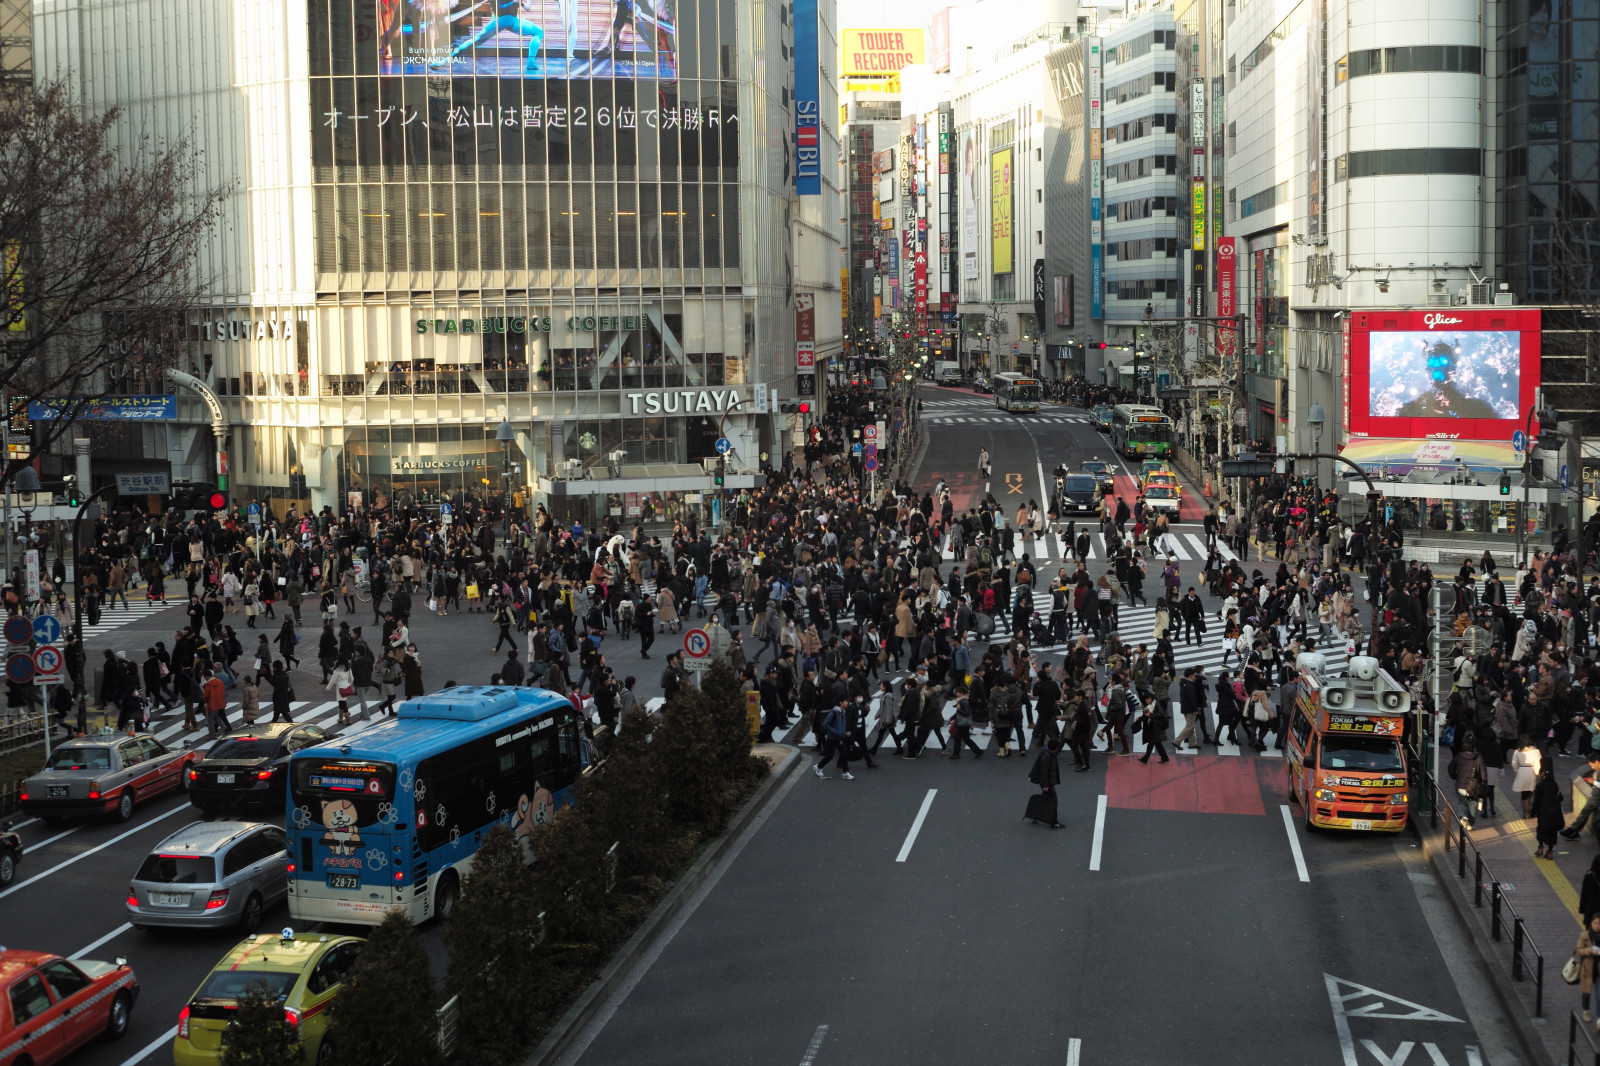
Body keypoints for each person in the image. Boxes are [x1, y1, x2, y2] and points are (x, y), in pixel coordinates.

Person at [1025, 738, 1064, 828]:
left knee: (1045, 800)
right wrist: (1045, 785)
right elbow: (1044, 773)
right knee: (1053, 802)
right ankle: (1054, 822)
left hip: (1048, 783)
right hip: (1047, 784)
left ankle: (1033, 815)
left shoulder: (1048, 754)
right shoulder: (1046, 757)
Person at [813, 699, 853, 780]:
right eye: (845, 701)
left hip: (840, 738)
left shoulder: (843, 713)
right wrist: (836, 732)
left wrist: (844, 732)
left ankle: (845, 772)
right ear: (840, 703)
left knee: (844, 754)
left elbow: (843, 724)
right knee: (829, 756)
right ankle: (818, 767)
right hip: (832, 738)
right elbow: (826, 725)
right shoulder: (833, 713)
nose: (847, 703)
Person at [1533, 762, 1566, 859]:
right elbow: (1561, 798)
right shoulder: (1555, 785)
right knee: (1552, 833)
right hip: (1554, 814)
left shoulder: (1540, 786)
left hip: (1543, 814)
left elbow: (1536, 801)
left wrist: (1533, 812)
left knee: (1541, 830)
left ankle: (1540, 848)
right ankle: (1550, 851)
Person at [1509, 736, 1541, 819]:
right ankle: (1532, 810)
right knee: (1532, 791)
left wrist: (1517, 771)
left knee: (1523, 794)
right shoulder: (1535, 751)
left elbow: (1514, 763)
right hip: (1532, 771)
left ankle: (1525, 813)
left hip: (1522, 771)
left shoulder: (1517, 751)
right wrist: (1537, 773)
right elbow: (1538, 764)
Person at [1579, 913, 1600, 1025]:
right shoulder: (1585, 936)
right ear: (1591, 924)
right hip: (1587, 969)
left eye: (1599, 923)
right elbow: (1579, 950)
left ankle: (1599, 1019)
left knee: (1599, 995)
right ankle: (1586, 1011)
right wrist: (1589, 951)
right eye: (1595, 923)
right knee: (1586, 993)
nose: (1597, 926)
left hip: (1598, 971)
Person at [327, 657, 356, 726]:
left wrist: (328, 688)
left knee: (342, 702)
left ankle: (348, 719)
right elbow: (352, 678)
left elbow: (332, 680)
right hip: (346, 685)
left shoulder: (337, 669)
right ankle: (340, 718)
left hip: (340, 687)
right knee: (341, 702)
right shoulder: (348, 668)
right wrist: (349, 684)